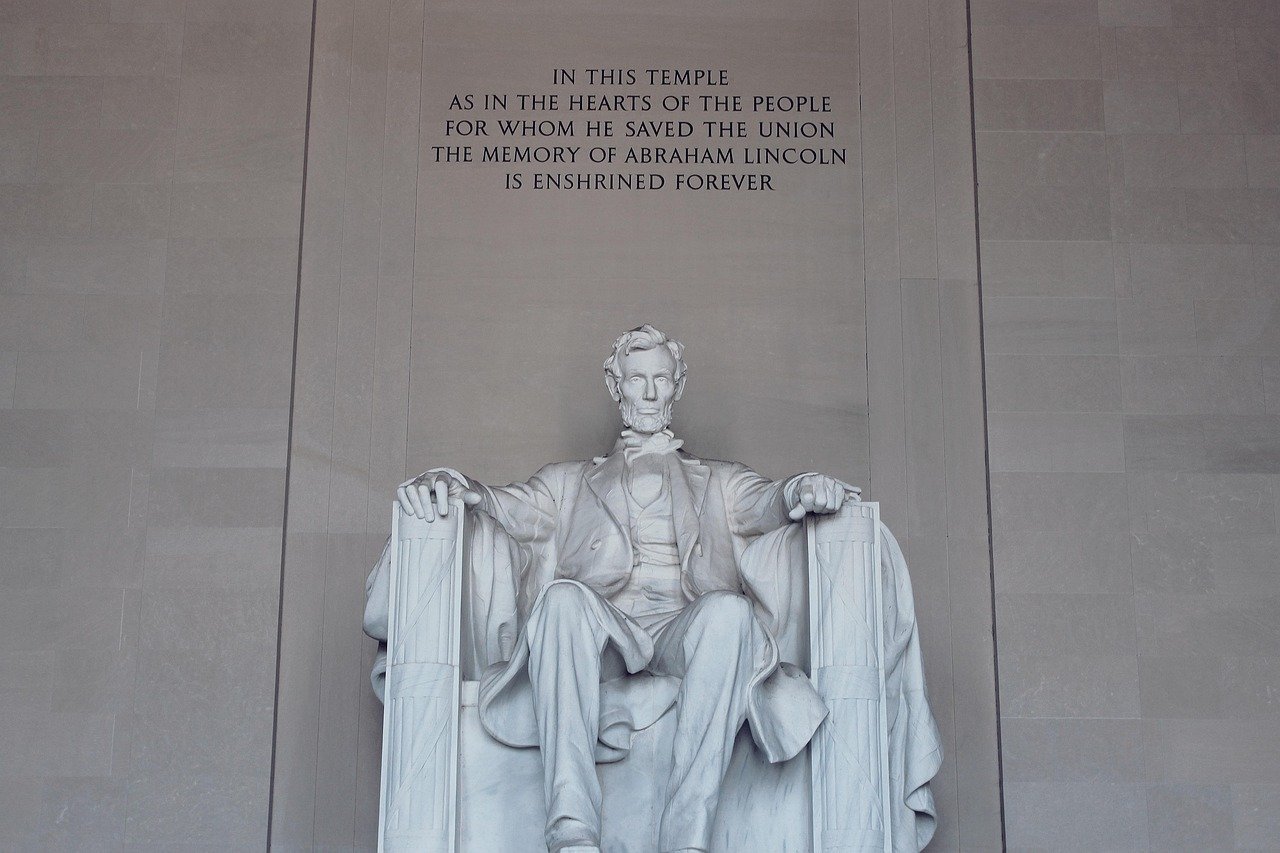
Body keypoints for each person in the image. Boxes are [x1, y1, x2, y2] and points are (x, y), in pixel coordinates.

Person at [396, 325, 857, 853]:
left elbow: (771, 501)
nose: (651, 392)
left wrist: (804, 486)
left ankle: (688, 838)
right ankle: (572, 830)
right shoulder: (567, 482)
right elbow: (503, 505)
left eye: (662, 378)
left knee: (730, 612)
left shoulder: (722, 481)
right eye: (637, 380)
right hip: (604, 633)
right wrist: (458, 485)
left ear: (678, 385)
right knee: (561, 599)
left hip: (684, 631)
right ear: (616, 387)